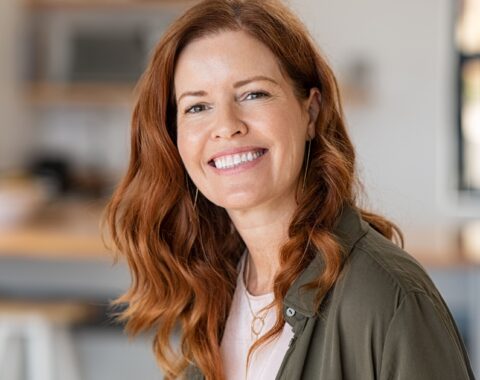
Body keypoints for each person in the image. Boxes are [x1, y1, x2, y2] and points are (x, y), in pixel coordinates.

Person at [104, 0, 475, 379]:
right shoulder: (213, 285)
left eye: (253, 94)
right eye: (197, 107)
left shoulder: (388, 298)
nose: (226, 126)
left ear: (310, 113)